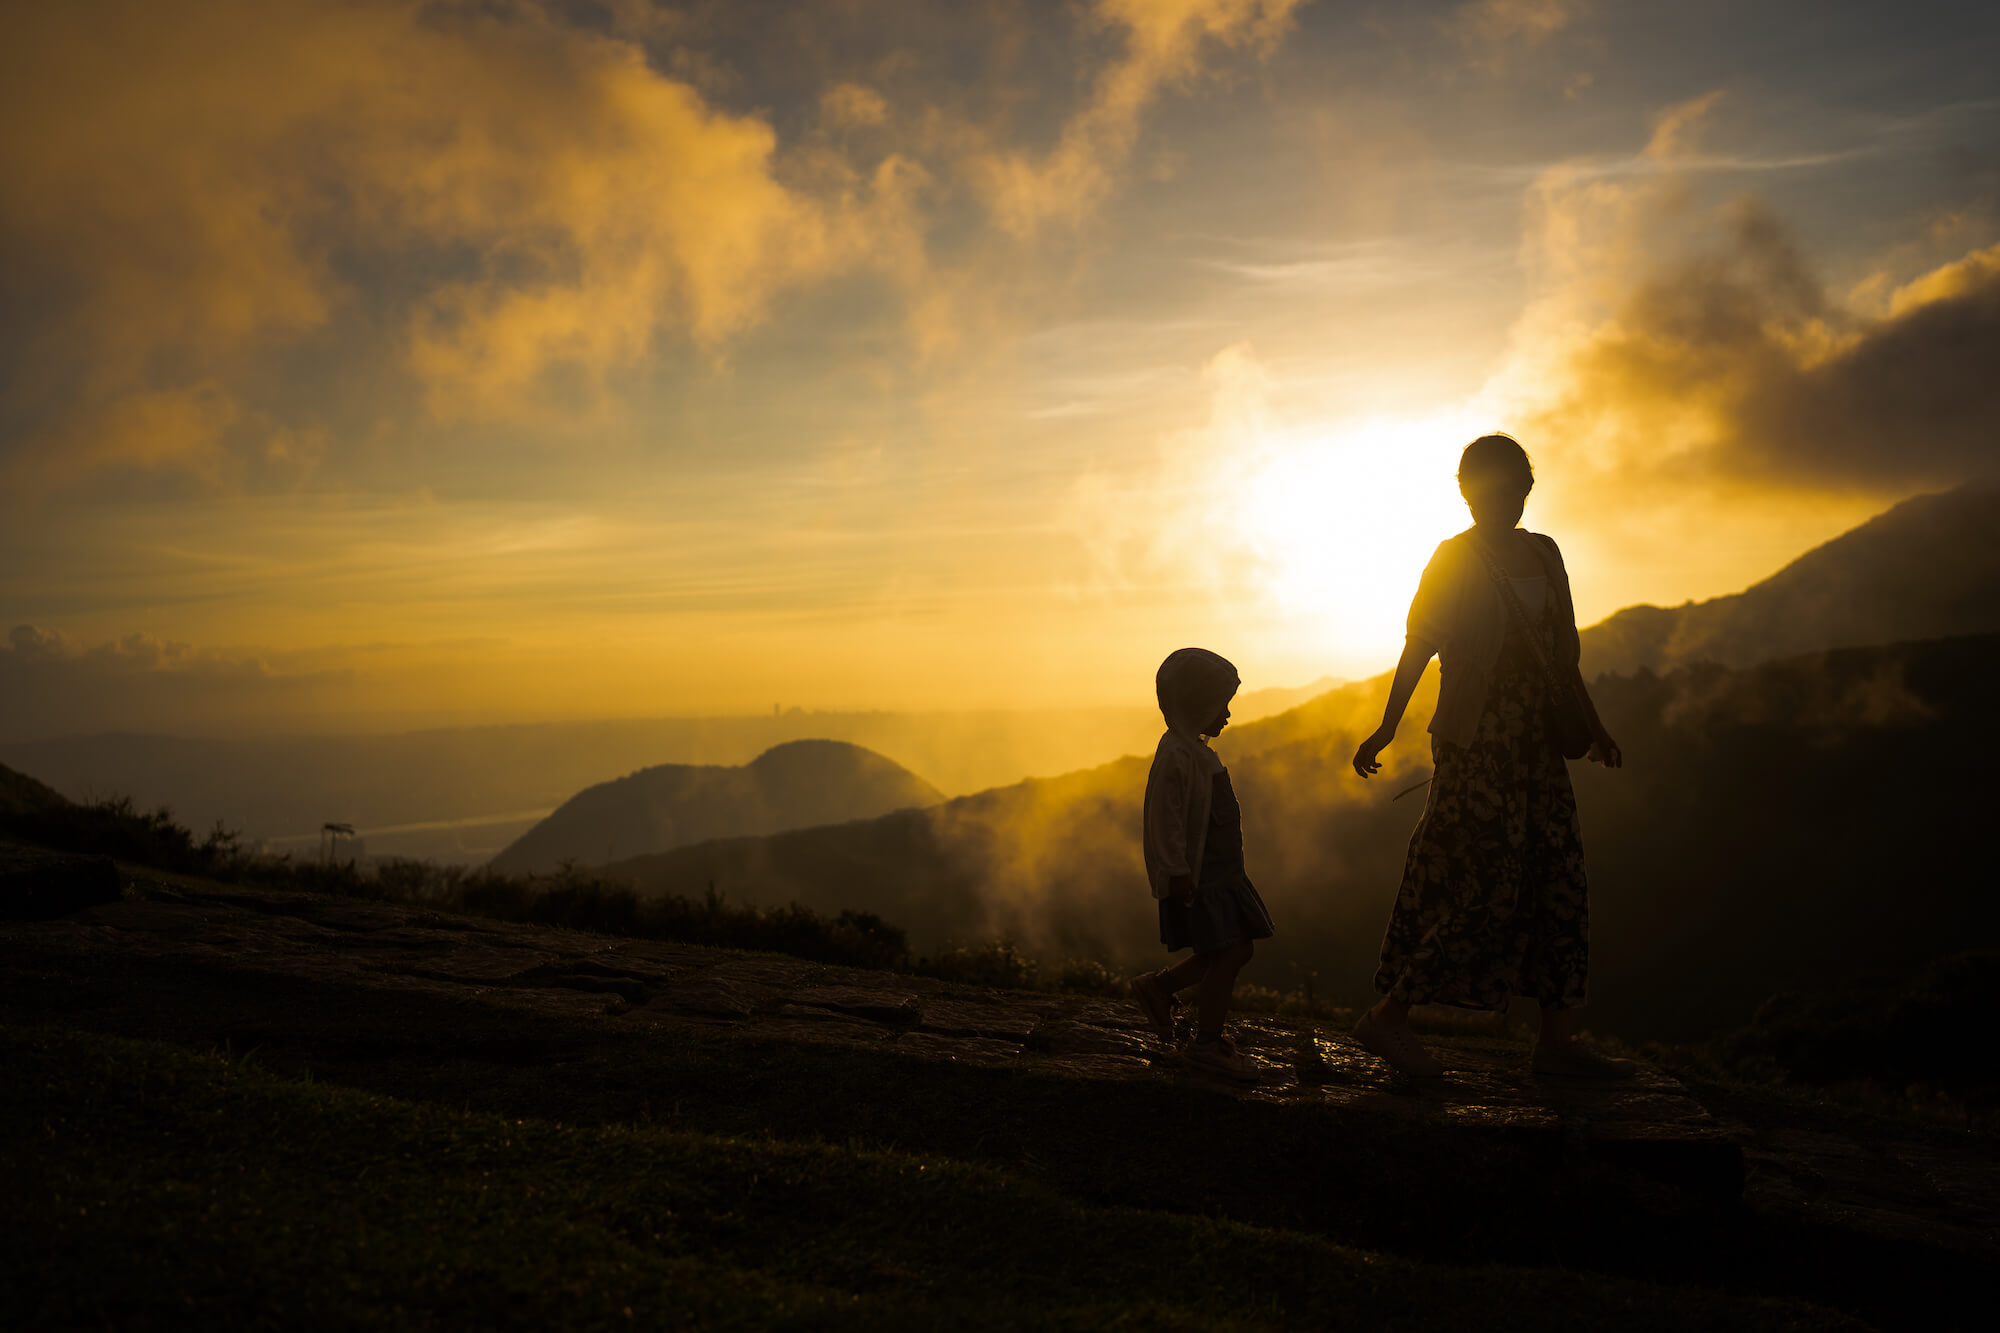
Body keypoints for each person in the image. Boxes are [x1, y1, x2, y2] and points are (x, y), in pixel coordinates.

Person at [1350, 434, 1632, 1079]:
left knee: (1560, 879)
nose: (1506, 499)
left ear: (1526, 488)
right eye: (1492, 488)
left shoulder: (1545, 553)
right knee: (1484, 885)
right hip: (1475, 743)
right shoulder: (1453, 558)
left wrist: (1596, 728)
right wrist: (1386, 727)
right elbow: (1419, 644)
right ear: (1467, 491)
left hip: (1537, 744)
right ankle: (1388, 1017)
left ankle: (1555, 1044)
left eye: (1516, 487)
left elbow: (1563, 657)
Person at [1130, 647, 1273, 1083]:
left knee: (1226, 950)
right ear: (1196, 705)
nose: (1227, 714)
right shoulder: (1177, 755)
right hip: (1203, 878)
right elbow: (1165, 817)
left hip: (1223, 874)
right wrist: (1174, 870)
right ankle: (1207, 1044)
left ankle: (1160, 989)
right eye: (1220, 705)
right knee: (1233, 951)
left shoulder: (1194, 751)